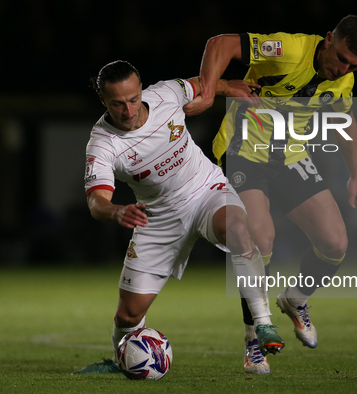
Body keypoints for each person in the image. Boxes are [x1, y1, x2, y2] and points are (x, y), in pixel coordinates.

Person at [184, 15, 357, 374]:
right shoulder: (288, 50)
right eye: (341, 58)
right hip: (245, 149)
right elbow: (220, 43)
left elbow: (344, 119)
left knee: (335, 244)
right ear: (329, 39)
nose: (344, 69)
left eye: (354, 65)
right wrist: (210, 91)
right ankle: (252, 338)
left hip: (291, 156)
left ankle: (295, 300)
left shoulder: (343, 79)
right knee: (261, 239)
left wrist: (356, 173)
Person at [72, 60, 284, 374]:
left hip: (205, 190)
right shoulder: (103, 143)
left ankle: (260, 331)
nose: (128, 110)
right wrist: (117, 210)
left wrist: (228, 87)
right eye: (118, 104)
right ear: (103, 101)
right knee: (128, 317)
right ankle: (121, 358)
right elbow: (96, 202)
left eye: (132, 100)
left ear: (141, 89)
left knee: (238, 230)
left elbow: (200, 83)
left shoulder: (165, 94)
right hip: (158, 218)